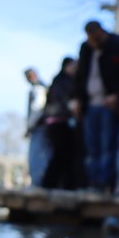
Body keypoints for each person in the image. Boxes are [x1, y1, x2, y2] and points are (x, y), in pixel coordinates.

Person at [73, 21, 119, 193]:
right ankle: (93, 184)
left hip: (110, 105)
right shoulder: (86, 49)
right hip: (90, 105)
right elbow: (80, 76)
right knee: (92, 148)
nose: (94, 43)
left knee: (107, 147)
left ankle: (104, 185)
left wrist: (118, 95)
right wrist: (76, 99)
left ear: (102, 32)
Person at [42, 57, 83, 190]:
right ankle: (48, 184)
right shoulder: (62, 81)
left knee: (64, 154)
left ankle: (60, 184)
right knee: (60, 154)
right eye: (73, 66)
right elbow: (64, 100)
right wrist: (72, 106)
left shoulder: (61, 81)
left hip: (60, 121)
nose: (76, 69)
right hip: (58, 121)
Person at [23, 68, 51, 187]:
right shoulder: (42, 88)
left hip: (39, 126)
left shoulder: (39, 89)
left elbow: (37, 109)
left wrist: (29, 126)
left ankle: (37, 183)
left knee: (36, 156)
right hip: (42, 125)